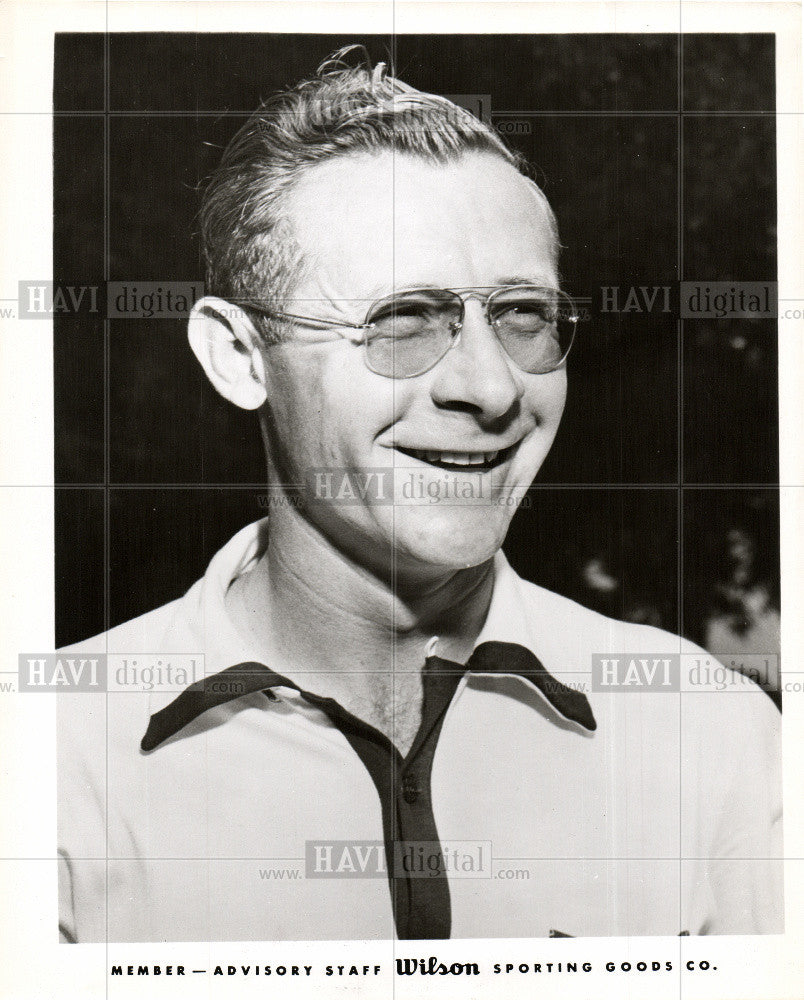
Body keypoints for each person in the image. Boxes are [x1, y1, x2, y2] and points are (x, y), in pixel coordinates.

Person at [58, 49, 782, 942]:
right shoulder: (59, 756)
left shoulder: (710, 736)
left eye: (523, 315)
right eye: (400, 321)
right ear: (240, 358)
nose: (492, 387)